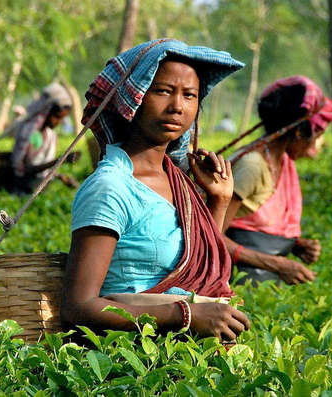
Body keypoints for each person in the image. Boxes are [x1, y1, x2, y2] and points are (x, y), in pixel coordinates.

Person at [61, 39, 250, 342]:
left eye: (189, 95)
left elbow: (195, 268)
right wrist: (184, 316)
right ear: (132, 98)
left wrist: (219, 200)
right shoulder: (111, 187)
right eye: (163, 91)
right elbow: (79, 307)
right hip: (128, 360)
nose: (177, 106)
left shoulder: (178, 180)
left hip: (182, 357)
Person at [222, 76, 332, 285]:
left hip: (263, 283)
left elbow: (255, 225)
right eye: (314, 137)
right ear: (298, 132)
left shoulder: (282, 162)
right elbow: (210, 234)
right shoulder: (253, 166)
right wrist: (278, 264)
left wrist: (294, 245)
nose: (314, 146)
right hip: (234, 281)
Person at [9, 82, 77, 194]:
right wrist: (61, 160)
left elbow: (42, 166)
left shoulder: (49, 134)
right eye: (57, 117)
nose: (58, 122)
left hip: (40, 190)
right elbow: (27, 169)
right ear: (47, 111)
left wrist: (61, 177)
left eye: (61, 119)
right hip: (24, 190)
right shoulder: (31, 132)